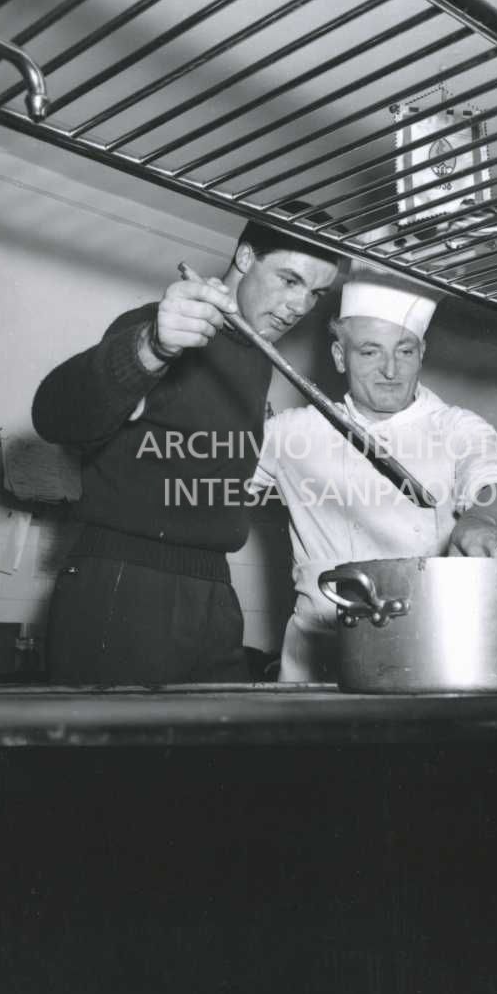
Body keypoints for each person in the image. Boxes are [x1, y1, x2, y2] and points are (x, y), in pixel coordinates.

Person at [31, 219, 340, 685]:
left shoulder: (257, 356)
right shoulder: (159, 326)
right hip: (129, 579)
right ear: (245, 257)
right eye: (290, 280)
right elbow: (53, 415)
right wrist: (150, 347)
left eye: (315, 293)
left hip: (212, 586)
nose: (300, 306)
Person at [248, 263, 497, 682]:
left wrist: (483, 521)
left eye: (405, 351)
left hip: (429, 650)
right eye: (370, 352)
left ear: (422, 352)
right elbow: (212, 483)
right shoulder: (292, 432)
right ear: (339, 357)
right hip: (318, 659)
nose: (391, 370)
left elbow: (495, 482)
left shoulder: (457, 426)